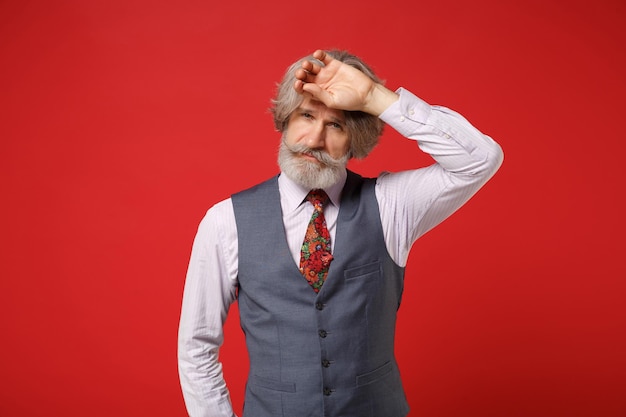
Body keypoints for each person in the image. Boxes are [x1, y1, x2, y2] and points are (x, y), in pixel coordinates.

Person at [178, 49, 504, 417]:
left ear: (355, 139)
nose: (315, 139)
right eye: (306, 116)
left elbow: (480, 159)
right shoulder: (225, 221)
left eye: (336, 125)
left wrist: (374, 98)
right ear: (285, 120)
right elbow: (196, 346)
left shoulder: (390, 205)